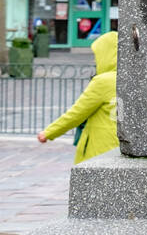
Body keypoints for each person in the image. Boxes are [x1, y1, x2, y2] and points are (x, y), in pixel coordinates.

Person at [37, 31, 117, 163]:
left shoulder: (103, 82)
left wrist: (49, 132)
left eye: (97, 54)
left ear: (107, 54)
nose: (95, 59)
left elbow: (77, 113)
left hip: (100, 148)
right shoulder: (134, 81)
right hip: (123, 148)